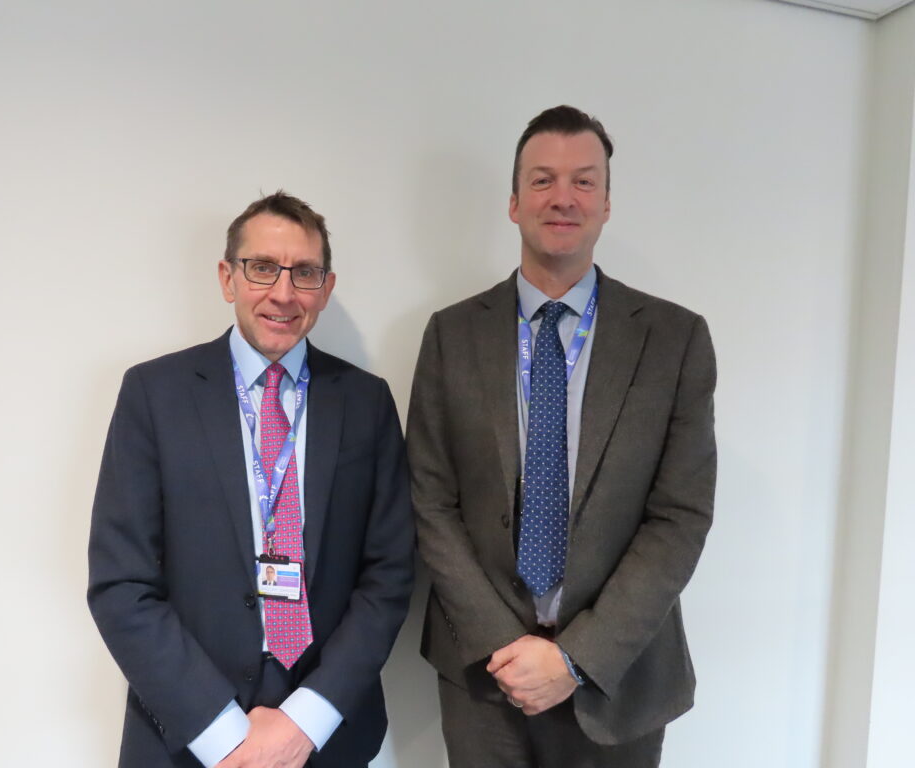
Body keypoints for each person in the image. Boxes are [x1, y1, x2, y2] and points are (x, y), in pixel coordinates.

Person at [406, 106, 717, 767]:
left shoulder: (674, 340)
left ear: (607, 203)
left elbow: (679, 516)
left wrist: (576, 657)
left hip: (619, 676)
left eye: (584, 181)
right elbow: (429, 501)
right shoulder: (450, 335)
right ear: (514, 203)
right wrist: (504, 646)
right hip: (483, 679)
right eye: (543, 180)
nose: (563, 198)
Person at [88, 191, 414, 768]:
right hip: (185, 738)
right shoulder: (154, 395)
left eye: (305, 273)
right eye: (262, 267)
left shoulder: (367, 402)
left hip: (328, 736)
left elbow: (388, 577)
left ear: (326, 288)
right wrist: (223, 735)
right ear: (227, 278)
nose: (283, 292)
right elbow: (122, 584)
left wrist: (304, 720)